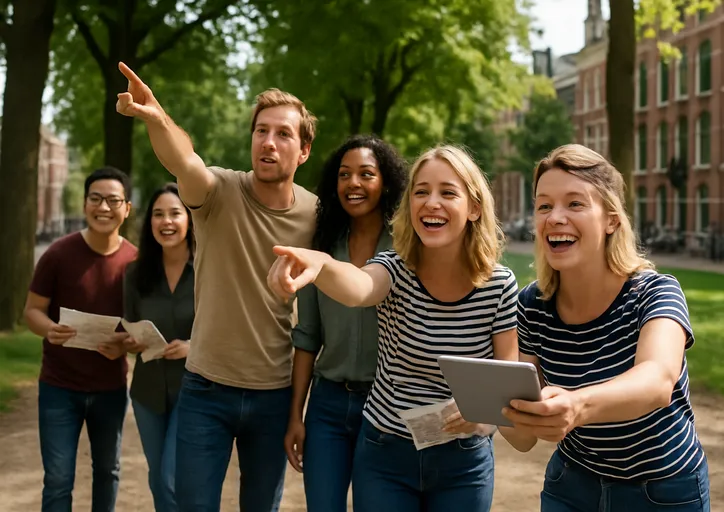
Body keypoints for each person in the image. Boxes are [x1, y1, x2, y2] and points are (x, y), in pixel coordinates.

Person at [268, 145, 520, 512]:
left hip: (463, 463)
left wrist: (480, 416)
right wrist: (321, 262)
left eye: (447, 192)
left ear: (475, 207)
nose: (431, 202)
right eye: (421, 192)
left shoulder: (498, 285)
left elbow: (504, 381)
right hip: (386, 456)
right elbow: (357, 287)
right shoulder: (393, 269)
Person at [115, 62, 318, 511]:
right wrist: (156, 117)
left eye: (283, 134)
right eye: (260, 131)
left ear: (303, 151)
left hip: (274, 392)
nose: (268, 142)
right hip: (206, 390)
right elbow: (182, 160)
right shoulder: (219, 191)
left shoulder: (316, 214)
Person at [500, 144, 710, 511]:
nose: (554, 217)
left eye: (575, 203)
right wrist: (492, 401)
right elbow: (522, 440)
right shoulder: (532, 304)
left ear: (612, 219)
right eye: (544, 205)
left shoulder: (656, 292)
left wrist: (577, 405)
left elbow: (658, 380)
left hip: (663, 490)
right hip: (571, 485)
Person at [285, 135, 407, 511]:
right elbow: (307, 337)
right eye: (344, 175)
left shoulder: (406, 247)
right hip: (328, 407)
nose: (353, 183)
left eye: (365, 174)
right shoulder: (320, 247)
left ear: (385, 182)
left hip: (387, 406)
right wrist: (296, 416)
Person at [23, 166, 137, 512]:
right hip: (59, 388)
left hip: (110, 389)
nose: (104, 207)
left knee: (108, 471)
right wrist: (49, 329)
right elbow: (32, 311)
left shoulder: (135, 262)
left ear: (126, 208)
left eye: (113, 200)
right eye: (96, 199)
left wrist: (125, 343)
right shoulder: (58, 254)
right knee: (58, 479)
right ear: (86, 203)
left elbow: (141, 326)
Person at [123, 183, 195, 512]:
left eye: (175, 213)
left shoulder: (208, 270)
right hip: (147, 392)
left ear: (190, 219)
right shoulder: (135, 274)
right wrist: (132, 341)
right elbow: (129, 324)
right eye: (158, 214)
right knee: (158, 479)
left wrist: (194, 347)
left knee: (170, 478)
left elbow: (226, 329)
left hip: (195, 390)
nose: (166, 221)